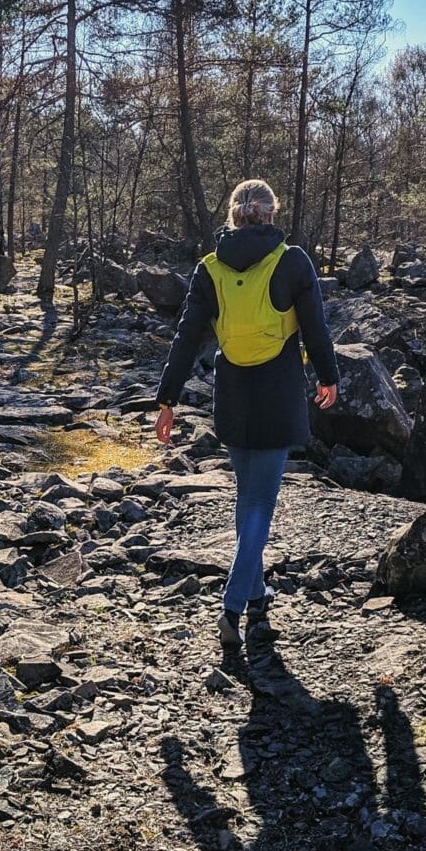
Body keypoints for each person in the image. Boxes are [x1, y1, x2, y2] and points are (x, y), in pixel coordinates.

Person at [154, 178, 339, 651]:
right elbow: (315, 326)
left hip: (233, 395)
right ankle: (234, 604)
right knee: (259, 504)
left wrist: (167, 399)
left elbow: (188, 336)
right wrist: (328, 376)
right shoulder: (293, 261)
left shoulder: (209, 269)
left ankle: (257, 600)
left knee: (246, 501)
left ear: (234, 215)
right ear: (271, 213)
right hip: (277, 394)